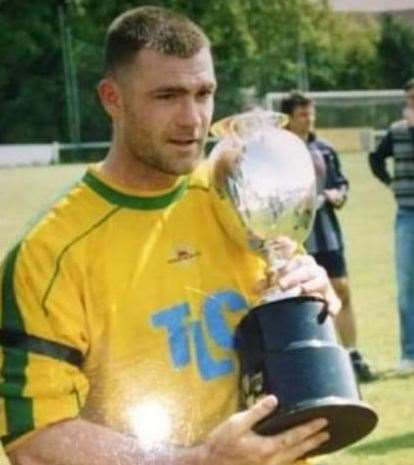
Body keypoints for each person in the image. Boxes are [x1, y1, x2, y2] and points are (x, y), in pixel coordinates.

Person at [1, 8, 340, 465]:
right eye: (167, 96)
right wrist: (199, 461)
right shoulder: (49, 254)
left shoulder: (240, 198)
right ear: (111, 98)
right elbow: (35, 441)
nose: (193, 118)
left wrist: (310, 305)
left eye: (204, 94)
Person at [281, 92, 377, 382]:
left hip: (327, 233)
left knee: (340, 289)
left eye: (311, 114)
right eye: (302, 115)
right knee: (302, 298)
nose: (309, 119)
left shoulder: (324, 149)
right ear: (288, 118)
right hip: (295, 237)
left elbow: (340, 184)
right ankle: (314, 360)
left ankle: (352, 353)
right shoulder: (278, 151)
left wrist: (335, 195)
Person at [369, 78, 414, 374]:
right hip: (407, 215)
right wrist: (391, 183)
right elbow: (375, 159)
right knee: (407, 285)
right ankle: (409, 353)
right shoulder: (396, 132)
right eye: (410, 98)